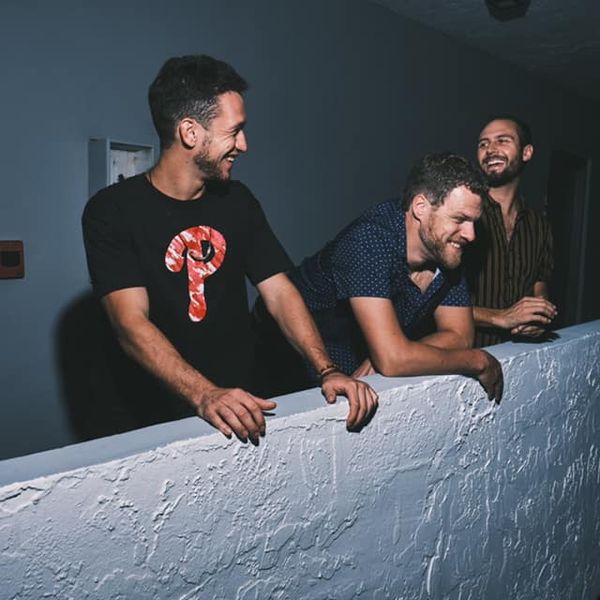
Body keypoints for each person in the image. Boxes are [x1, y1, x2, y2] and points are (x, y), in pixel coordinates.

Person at [82, 55, 377, 443]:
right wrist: (205, 394)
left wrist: (327, 369)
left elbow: (280, 292)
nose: (244, 144)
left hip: (245, 405)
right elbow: (130, 323)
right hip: (156, 419)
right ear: (190, 132)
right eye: (235, 131)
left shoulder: (237, 201)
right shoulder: (111, 211)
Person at [254, 153, 503, 402]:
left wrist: (398, 350)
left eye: (473, 222)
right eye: (459, 219)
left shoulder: (445, 249)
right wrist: (477, 361)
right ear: (420, 207)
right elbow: (394, 360)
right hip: (281, 358)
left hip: (350, 373)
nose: (470, 235)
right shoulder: (369, 239)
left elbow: (459, 336)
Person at [466, 115, 556, 347]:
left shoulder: (539, 225)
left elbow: (540, 288)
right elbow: (432, 302)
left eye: (502, 140)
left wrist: (539, 318)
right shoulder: (463, 217)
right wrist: (501, 317)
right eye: (483, 144)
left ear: (526, 153)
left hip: (521, 355)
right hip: (466, 356)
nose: (490, 150)